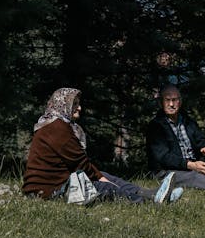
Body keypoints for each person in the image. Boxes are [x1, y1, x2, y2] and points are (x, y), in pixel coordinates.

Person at [23, 87, 183, 204]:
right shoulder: (57, 128)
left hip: (55, 185)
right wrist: (101, 179)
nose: (79, 108)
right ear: (62, 104)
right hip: (47, 191)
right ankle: (147, 202)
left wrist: (102, 176)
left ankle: (152, 194)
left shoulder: (55, 125)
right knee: (104, 186)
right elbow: (81, 164)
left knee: (106, 176)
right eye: (75, 104)